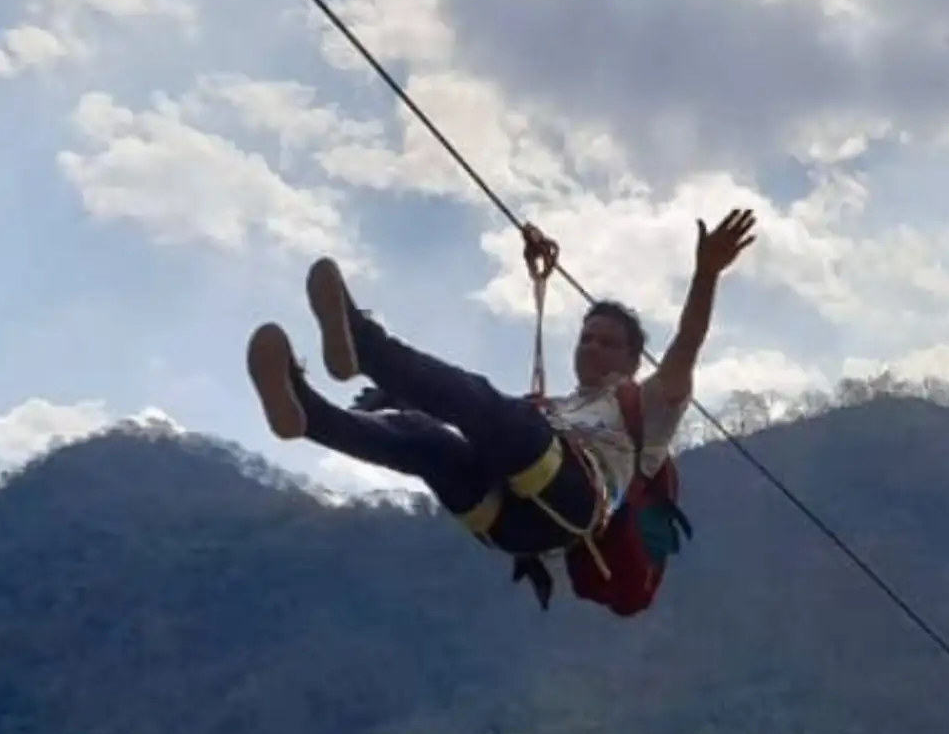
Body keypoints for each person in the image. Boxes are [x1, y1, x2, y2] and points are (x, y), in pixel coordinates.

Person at [245, 208, 758, 613]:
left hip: (575, 501)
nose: (591, 348)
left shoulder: (647, 407)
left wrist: (706, 272)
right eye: (586, 338)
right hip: (511, 525)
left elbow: (686, 345)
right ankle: (308, 413)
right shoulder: (557, 408)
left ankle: (363, 342)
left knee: (488, 405)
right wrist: (400, 397)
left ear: (631, 357)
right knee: (427, 439)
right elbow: (465, 412)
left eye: (607, 342)